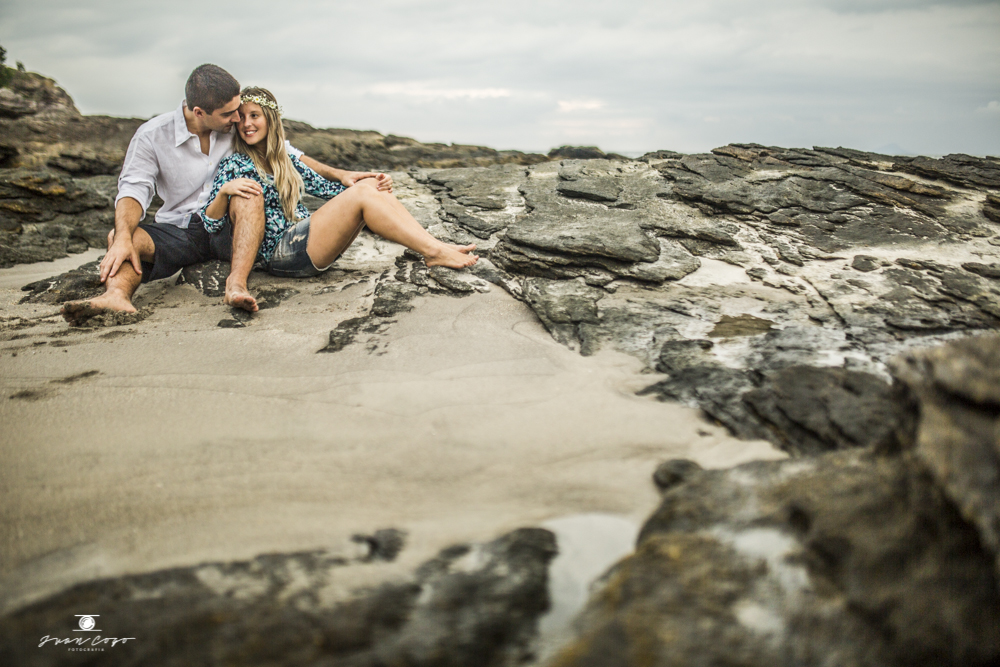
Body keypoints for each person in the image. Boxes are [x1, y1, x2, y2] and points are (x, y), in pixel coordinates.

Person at [60, 64, 389, 325]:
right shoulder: (152, 136)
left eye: (239, 111)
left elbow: (287, 152)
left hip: (231, 226)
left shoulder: (234, 127)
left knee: (248, 193)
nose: (238, 119)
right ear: (199, 111)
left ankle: (236, 284)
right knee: (122, 235)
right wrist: (122, 235)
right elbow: (133, 190)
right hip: (181, 229)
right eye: (230, 114)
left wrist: (340, 174)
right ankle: (116, 297)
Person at [200, 86, 479, 280]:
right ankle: (433, 252)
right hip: (279, 254)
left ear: (270, 120)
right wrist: (224, 193)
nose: (246, 124)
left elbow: (332, 192)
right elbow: (210, 225)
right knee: (362, 195)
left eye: (254, 116)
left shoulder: (287, 162)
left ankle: (434, 245)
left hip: (303, 242)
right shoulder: (235, 164)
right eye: (242, 119)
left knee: (368, 189)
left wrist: (373, 181)